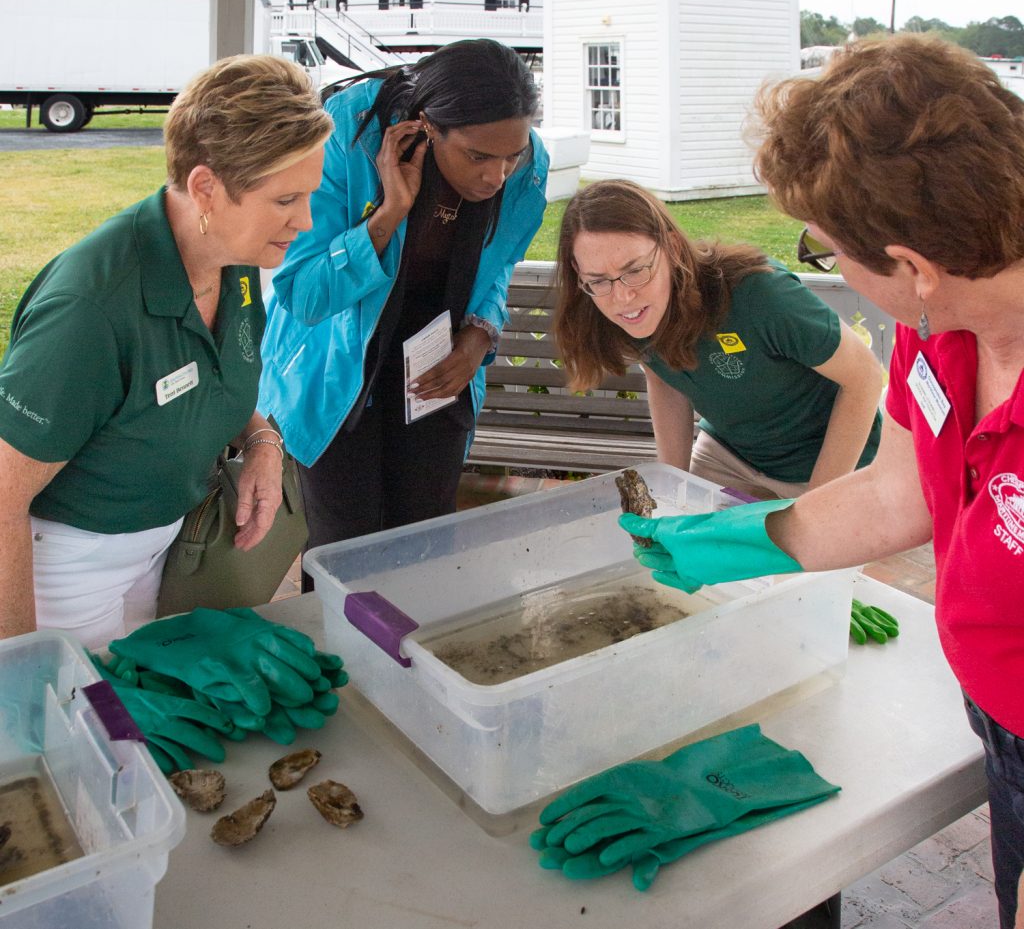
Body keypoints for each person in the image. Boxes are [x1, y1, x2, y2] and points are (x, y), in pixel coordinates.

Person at [620, 34, 1024, 929]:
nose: (827, 269)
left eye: (830, 252)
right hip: (998, 706)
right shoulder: (940, 324)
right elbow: (898, 493)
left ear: (912, 266)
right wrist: (723, 541)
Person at [0, 55, 333, 647]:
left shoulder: (235, 261)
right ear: (206, 187)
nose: (305, 221)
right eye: (285, 200)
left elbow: (207, 373)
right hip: (70, 569)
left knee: (144, 714)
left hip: (163, 543)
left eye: (309, 196)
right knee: (81, 726)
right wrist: (20, 668)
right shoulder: (91, 308)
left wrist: (261, 440)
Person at [257, 39, 548, 570]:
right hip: (334, 377)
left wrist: (481, 331)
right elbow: (302, 294)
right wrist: (389, 214)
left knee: (427, 543)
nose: (496, 176)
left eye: (512, 155)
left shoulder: (528, 164)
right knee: (345, 551)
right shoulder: (345, 135)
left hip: (435, 377)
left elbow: (498, 265)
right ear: (429, 125)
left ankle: (413, 654)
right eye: (478, 156)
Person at [554, 179, 884, 499]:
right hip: (730, 457)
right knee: (671, 547)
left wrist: (819, 502)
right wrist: (673, 488)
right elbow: (664, 379)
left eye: (636, 270)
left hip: (830, 468)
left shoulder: (759, 293)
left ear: (672, 246)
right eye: (599, 281)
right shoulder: (615, 306)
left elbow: (865, 376)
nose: (623, 297)